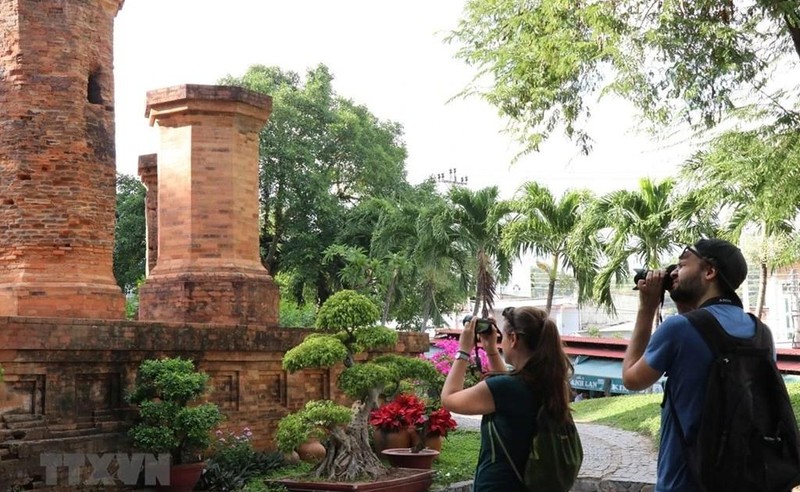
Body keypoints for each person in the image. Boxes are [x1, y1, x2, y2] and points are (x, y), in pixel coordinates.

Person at [622, 238, 761, 491]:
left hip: (682, 482)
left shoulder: (678, 328)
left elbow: (632, 378)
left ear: (709, 272)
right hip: (741, 478)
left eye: (682, 265)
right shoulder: (760, 331)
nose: (673, 272)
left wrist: (646, 308)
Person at [441, 307, 573, 492]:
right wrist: (492, 351)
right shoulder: (549, 383)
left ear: (513, 339)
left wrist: (463, 350)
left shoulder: (506, 388)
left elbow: (449, 399)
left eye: (503, 337)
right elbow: (507, 388)